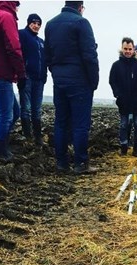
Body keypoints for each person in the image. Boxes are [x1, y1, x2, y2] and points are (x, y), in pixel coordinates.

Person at [44, 1, 100, 174]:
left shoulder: (51, 24)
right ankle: (81, 163)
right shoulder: (82, 23)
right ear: (80, 7)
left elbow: (48, 54)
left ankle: (61, 163)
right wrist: (94, 80)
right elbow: (89, 55)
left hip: (60, 80)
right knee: (80, 124)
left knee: (61, 122)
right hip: (79, 81)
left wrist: (56, 72)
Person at [0, 1, 25, 161]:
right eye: (16, 4)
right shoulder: (6, 17)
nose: (17, 8)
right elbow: (13, 47)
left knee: (13, 112)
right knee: (6, 115)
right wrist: (21, 73)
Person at [109, 37, 137, 157]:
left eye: (130, 49)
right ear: (122, 49)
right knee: (124, 125)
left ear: (133, 50)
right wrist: (117, 94)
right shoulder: (116, 65)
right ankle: (123, 148)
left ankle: (136, 149)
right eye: (125, 49)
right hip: (123, 102)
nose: (127, 51)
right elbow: (112, 81)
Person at [18, 13, 47, 146]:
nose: (36, 26)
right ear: (29, 23)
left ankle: (38, 137)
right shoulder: (22, 35)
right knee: (26, 108)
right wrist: (20, 74)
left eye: (38, 24)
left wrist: (44, 75)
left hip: (39, 79)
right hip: (26, 77)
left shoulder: (41, 42)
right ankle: (27, 136)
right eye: (34, 23)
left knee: (37, 109)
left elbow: (45, 60)